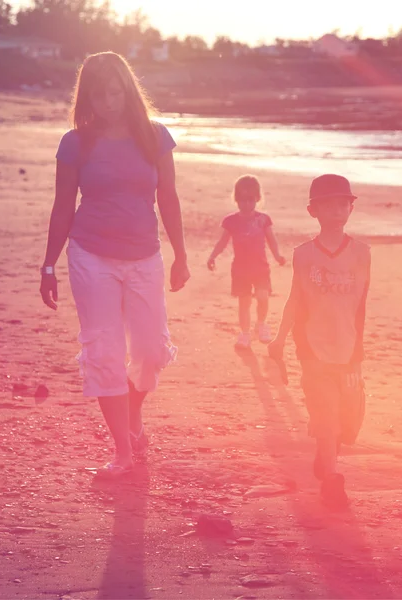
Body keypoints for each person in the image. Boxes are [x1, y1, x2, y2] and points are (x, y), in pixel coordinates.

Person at [39, 52, 190, 478]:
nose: (110, 102)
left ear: (128, 91)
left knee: (151, 352)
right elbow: (63, 205)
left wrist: (181, 254)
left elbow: (169, 198)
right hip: (90, 256)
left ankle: (131, 411)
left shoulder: (154, 136)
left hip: (145, 255)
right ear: (88, 96)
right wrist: (48, 265)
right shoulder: (75, 142)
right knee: (104, 351)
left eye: (117, 92)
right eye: (101, 94)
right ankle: (123, 450)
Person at [268, 174, 371, 509]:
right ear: (314, 211)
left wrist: (358, 349)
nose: (339, 210)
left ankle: (326, 455)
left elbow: (360, 305)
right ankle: (331, 480)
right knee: (325, 416)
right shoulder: (303, 255)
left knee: (347, 422)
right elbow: (295, 300)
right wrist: (280, 341)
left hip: (349, 351)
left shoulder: (361, 253)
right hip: (312, 349)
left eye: (345, 204)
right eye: (330, 205)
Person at [207, 175, 285, 348]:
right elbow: (223, 242)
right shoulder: (231, 221)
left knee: (263, 297)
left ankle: (262, 324)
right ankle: (244, 334)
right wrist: (213, 256)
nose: (247, 205)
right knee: (244, 302)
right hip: (240, 270)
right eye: (242, 200)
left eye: (251, 200)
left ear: (257, 199)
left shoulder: (264, 220)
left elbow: (271, 240)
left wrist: (278, 256)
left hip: (260, 268)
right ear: (236, 200)